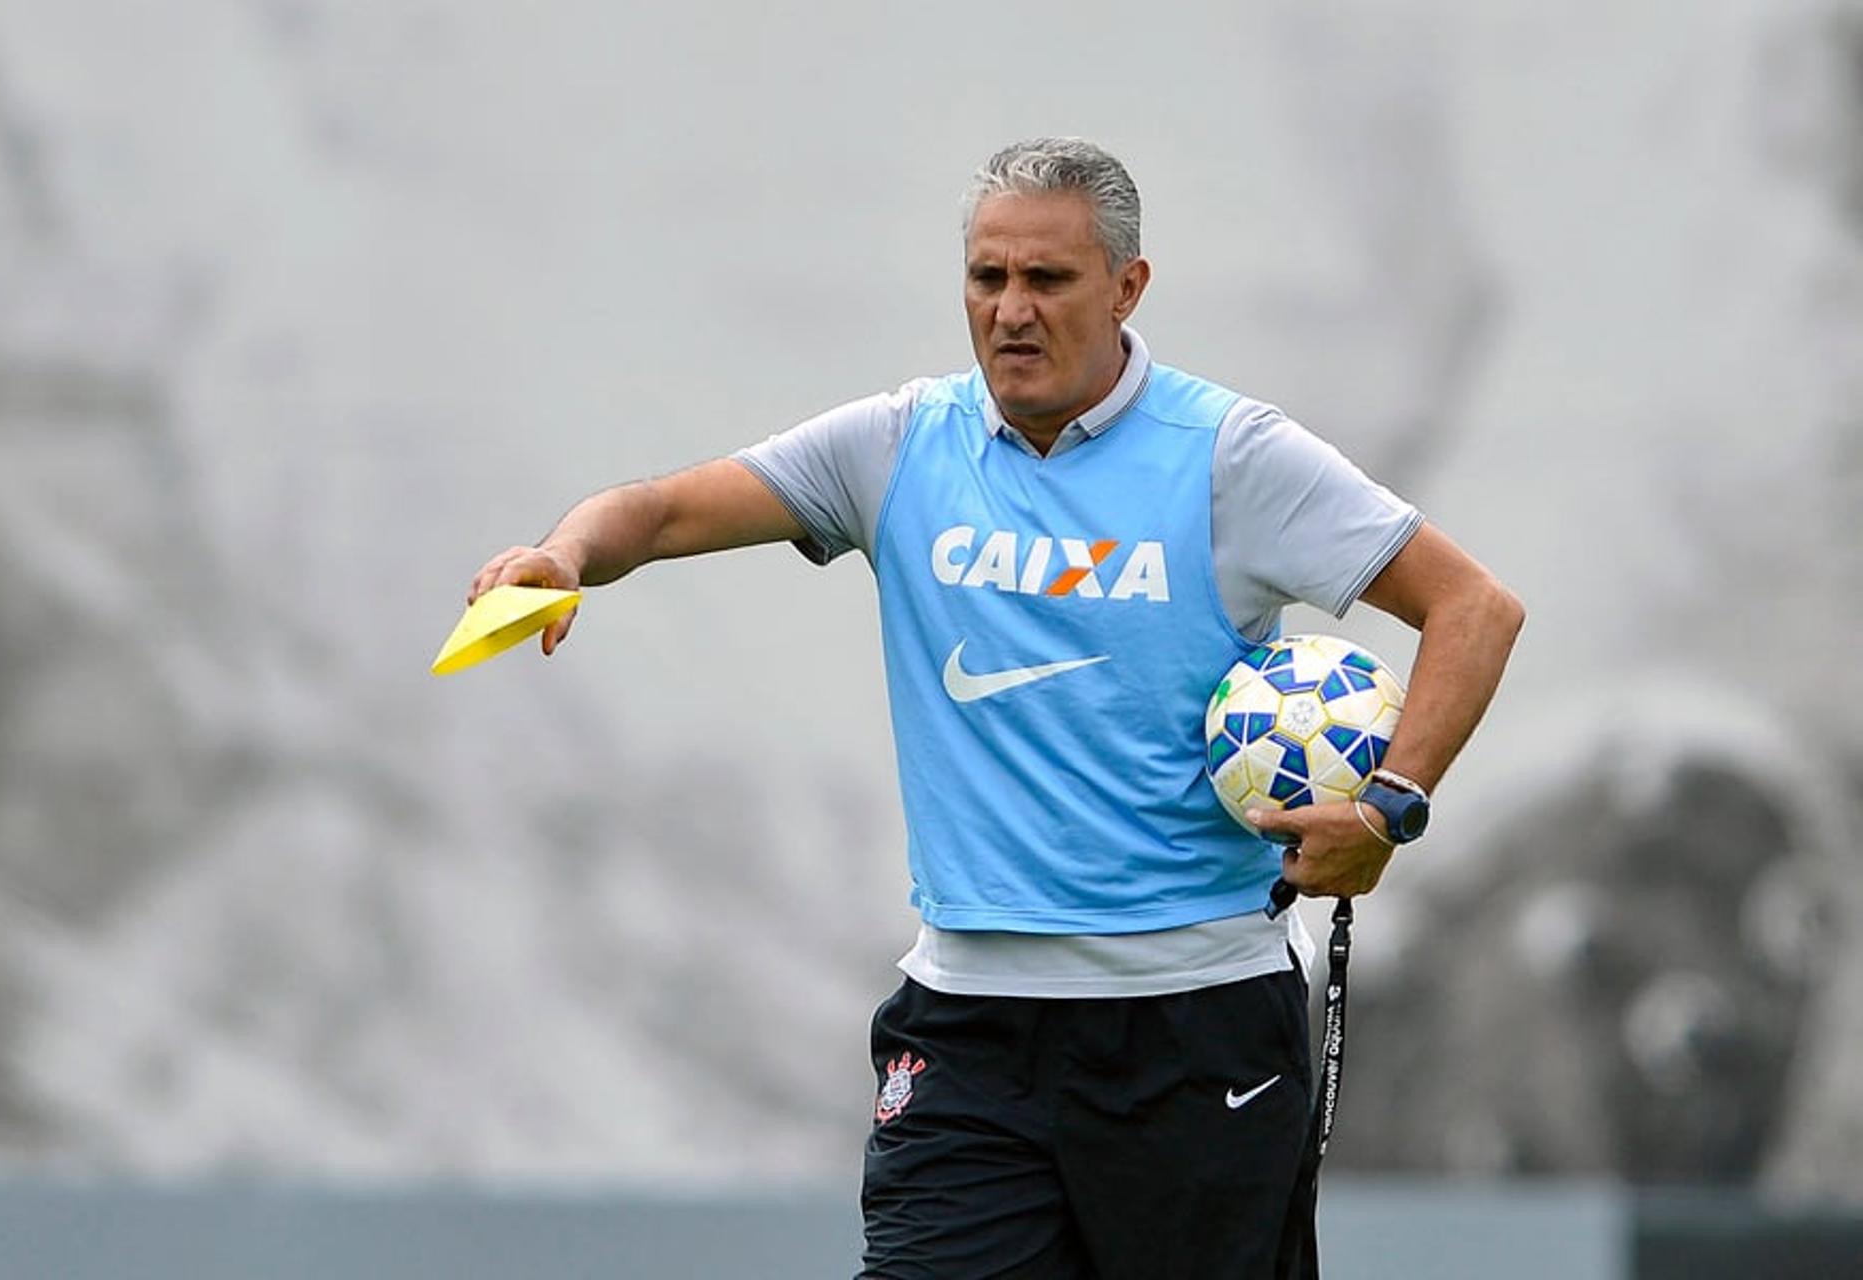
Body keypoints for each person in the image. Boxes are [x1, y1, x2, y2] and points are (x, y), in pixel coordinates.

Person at [466, 137, 1524, 1279]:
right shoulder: (899, 443)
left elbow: (1474, 607)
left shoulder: (1231, 455)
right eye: (987, 278)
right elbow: (667, 511)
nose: (1011, 310)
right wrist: (566, 550)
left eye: (1048, 280)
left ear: (1127, 287)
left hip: (1197, 1021)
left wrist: (1387, 810)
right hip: (967, 1028)